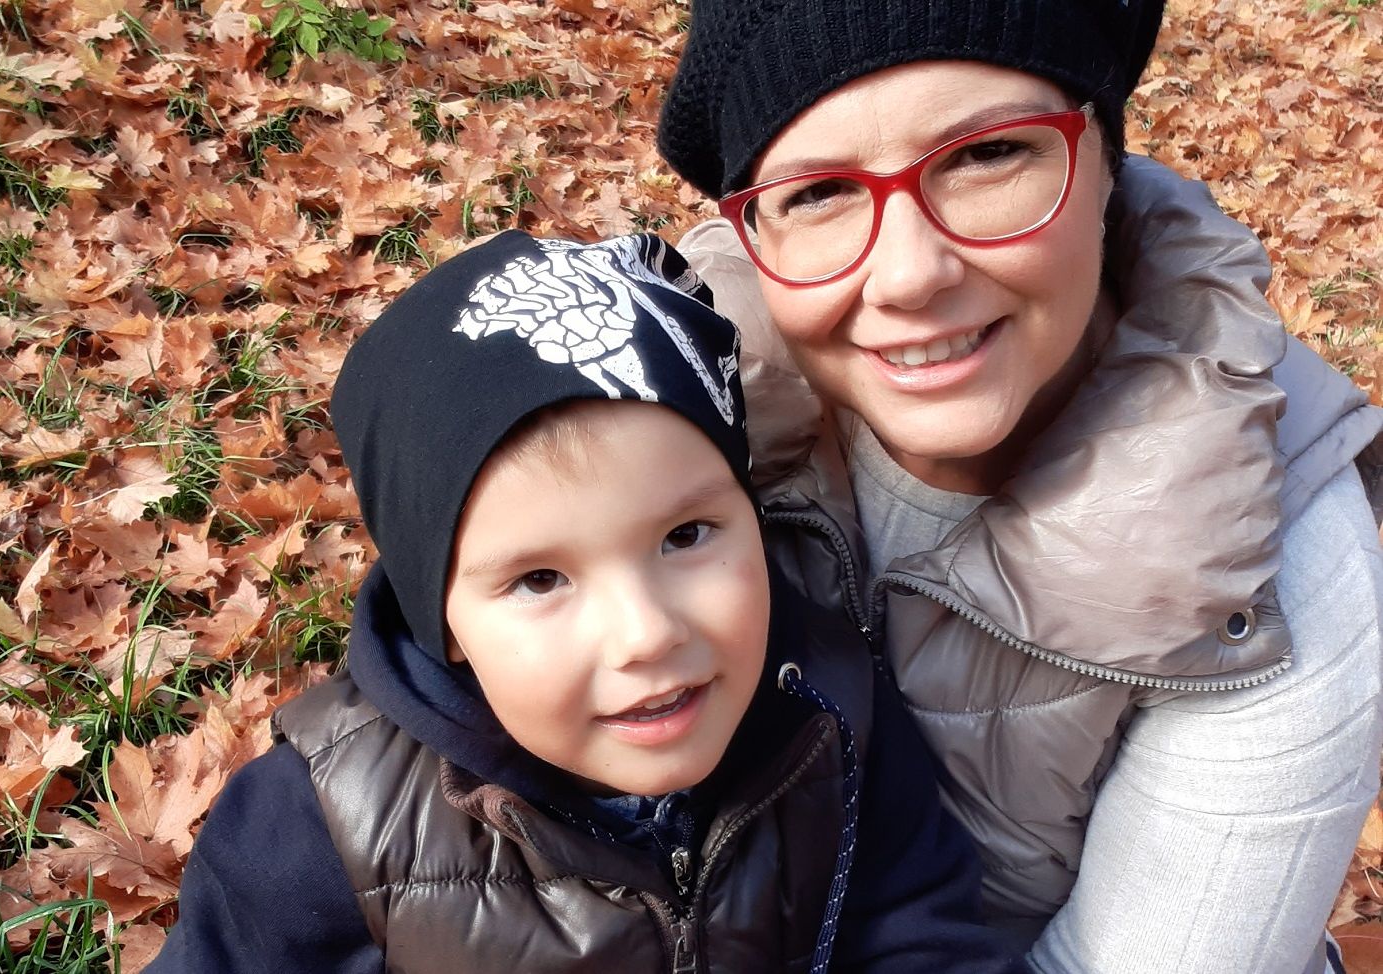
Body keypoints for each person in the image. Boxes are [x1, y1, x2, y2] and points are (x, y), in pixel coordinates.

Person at [655, 2, 1383, 972]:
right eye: (819, 191)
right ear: (753, 232)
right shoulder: (664, 403)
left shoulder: (1277, 572)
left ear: (1104, 163)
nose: (909, 274)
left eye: (988, 155)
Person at [145, 230, 1031, 973]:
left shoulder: (835, 712)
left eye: (686, 535)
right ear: (443, 623)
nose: (645, 633)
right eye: (540, 580)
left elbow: (922, 933)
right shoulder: (322, 828)